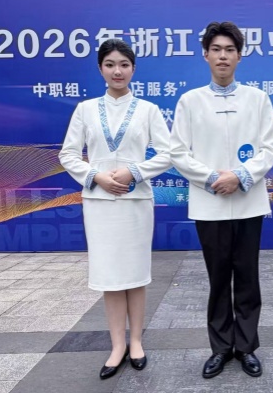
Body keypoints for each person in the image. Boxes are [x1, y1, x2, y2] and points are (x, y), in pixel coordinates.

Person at [170, 21, 273, 378]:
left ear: (239, 56)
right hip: (210, 202)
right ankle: (220, 348)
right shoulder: (190, 101)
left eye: (230, 50)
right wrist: (213, 178)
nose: (223, 56)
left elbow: (268, 150)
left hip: (248, 201)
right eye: (216, 49)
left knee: (247, 276)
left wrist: (240, 176)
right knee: (218, 279)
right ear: (205, 54)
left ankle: (246, 347)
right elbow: (178, 153)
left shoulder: (258, 99)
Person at [59, 39, 171, 380]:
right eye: (110, 64)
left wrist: (134, 171)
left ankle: (136, 342)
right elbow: (68, 154)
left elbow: (168, 154)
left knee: (135, 275)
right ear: (100, 69)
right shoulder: (85, 109)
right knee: (110, 277)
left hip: (135, 202)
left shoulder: (148, 110)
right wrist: (96, 176)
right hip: (99, 203)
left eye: (124, 64)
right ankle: (117, 345)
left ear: (133, 68)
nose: (117, 71)